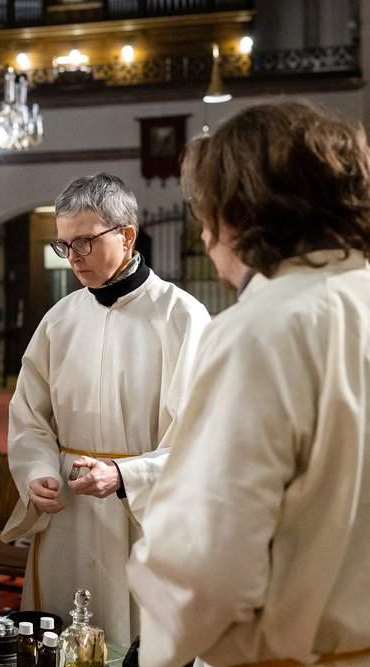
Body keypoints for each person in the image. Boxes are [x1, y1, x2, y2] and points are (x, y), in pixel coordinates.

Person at [127, 102, 370, 667]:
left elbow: (208, 556)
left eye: (207, 213)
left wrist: (159, 647)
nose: (204, 235)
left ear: (236, 213)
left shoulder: (262, 329)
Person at [1, 173, 211, 644]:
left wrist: (124, 475)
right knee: (59, 638)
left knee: (133, 640)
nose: (73, 257)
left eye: (85, 242)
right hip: (68, 513)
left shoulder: (181, 317)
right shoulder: (59, 320)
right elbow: (29, 417)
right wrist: (37, 470)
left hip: (141, 515)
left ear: (127, 235)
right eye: (64, 245)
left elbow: (203, 439)